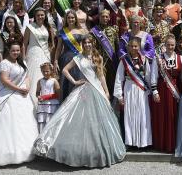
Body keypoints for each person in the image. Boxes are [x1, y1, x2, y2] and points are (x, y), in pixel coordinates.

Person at [35, 36, 126, 168]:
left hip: (97, 90)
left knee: (97, 121)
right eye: (85, 43)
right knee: (80, 120)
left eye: (89, 42)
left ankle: (97, 151)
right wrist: (75, 82)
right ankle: (81, 151)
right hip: (83, 90)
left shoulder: (97, 57)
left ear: (92, 43)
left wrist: (106, 91)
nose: (88, 45)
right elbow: (65, 70)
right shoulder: (78, 58)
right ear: (82, 45)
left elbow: (101, 76)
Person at [114, 37, 156, 149]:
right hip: (129, 89)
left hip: (141, 90)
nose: (133, 48)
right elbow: (119, 78)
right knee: (130, 115)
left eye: (136, 46)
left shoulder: (144, 59)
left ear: (139, 47)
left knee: (143, 114)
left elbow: (148, 76)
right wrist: (119, 95)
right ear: (128, 47)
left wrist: (150, 91)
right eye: (131, 46)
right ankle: (131, 142)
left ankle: (144, 143)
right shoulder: (124, 60)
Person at [150, 34, 182, 153]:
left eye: (172, 45)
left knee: (173, 116)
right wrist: (154, 91)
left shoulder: (181, 58)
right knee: (162, 117)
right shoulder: (158, 58)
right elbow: (153, 75)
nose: (170, 47)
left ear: (175, 45)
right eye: (168, 44)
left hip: (176, 92)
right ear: (164, 45)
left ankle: (173, 144)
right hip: (162, 91)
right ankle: (162, 144)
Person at [23, 8, 53, 104]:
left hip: (45, 55)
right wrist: (23, 57)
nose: (40, 17)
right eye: (38, 15)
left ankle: (45, 102)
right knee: (33, 76)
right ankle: (32, 102)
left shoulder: (48, 27)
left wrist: (50, 52)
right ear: (35, 16)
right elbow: (24, 43)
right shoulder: (30, 27)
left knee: (45, 76)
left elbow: (51, 43)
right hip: (33, 53)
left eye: (42, 15)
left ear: (45, 16)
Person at [35, 62, 60, 133]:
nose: (45, 73)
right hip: (43, 105)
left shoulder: (54, 81)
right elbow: (37, 92)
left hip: (51, 104)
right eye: (43, 71)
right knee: (42, 120)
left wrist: (46, 97)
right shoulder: (40, 81)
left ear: (51, 71)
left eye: (47, 71)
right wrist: (38, 96)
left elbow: (58, 94)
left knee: (50, 120)